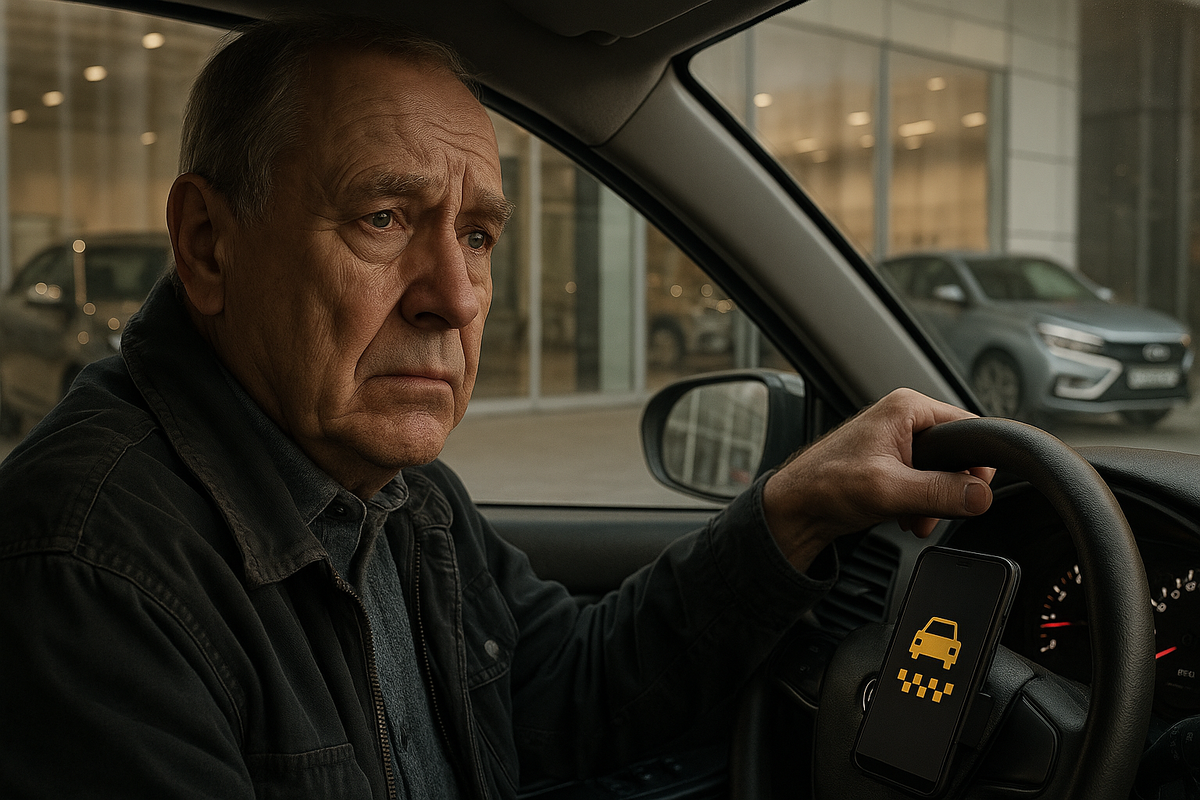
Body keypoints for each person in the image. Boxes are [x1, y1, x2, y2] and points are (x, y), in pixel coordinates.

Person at [0, 15, 993, 800]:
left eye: (477, 235)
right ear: (209, 245)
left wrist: (796, 509)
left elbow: (560, 689)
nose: (458, 297)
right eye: (384, 216)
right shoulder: (92, 575)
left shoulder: (396, 492)